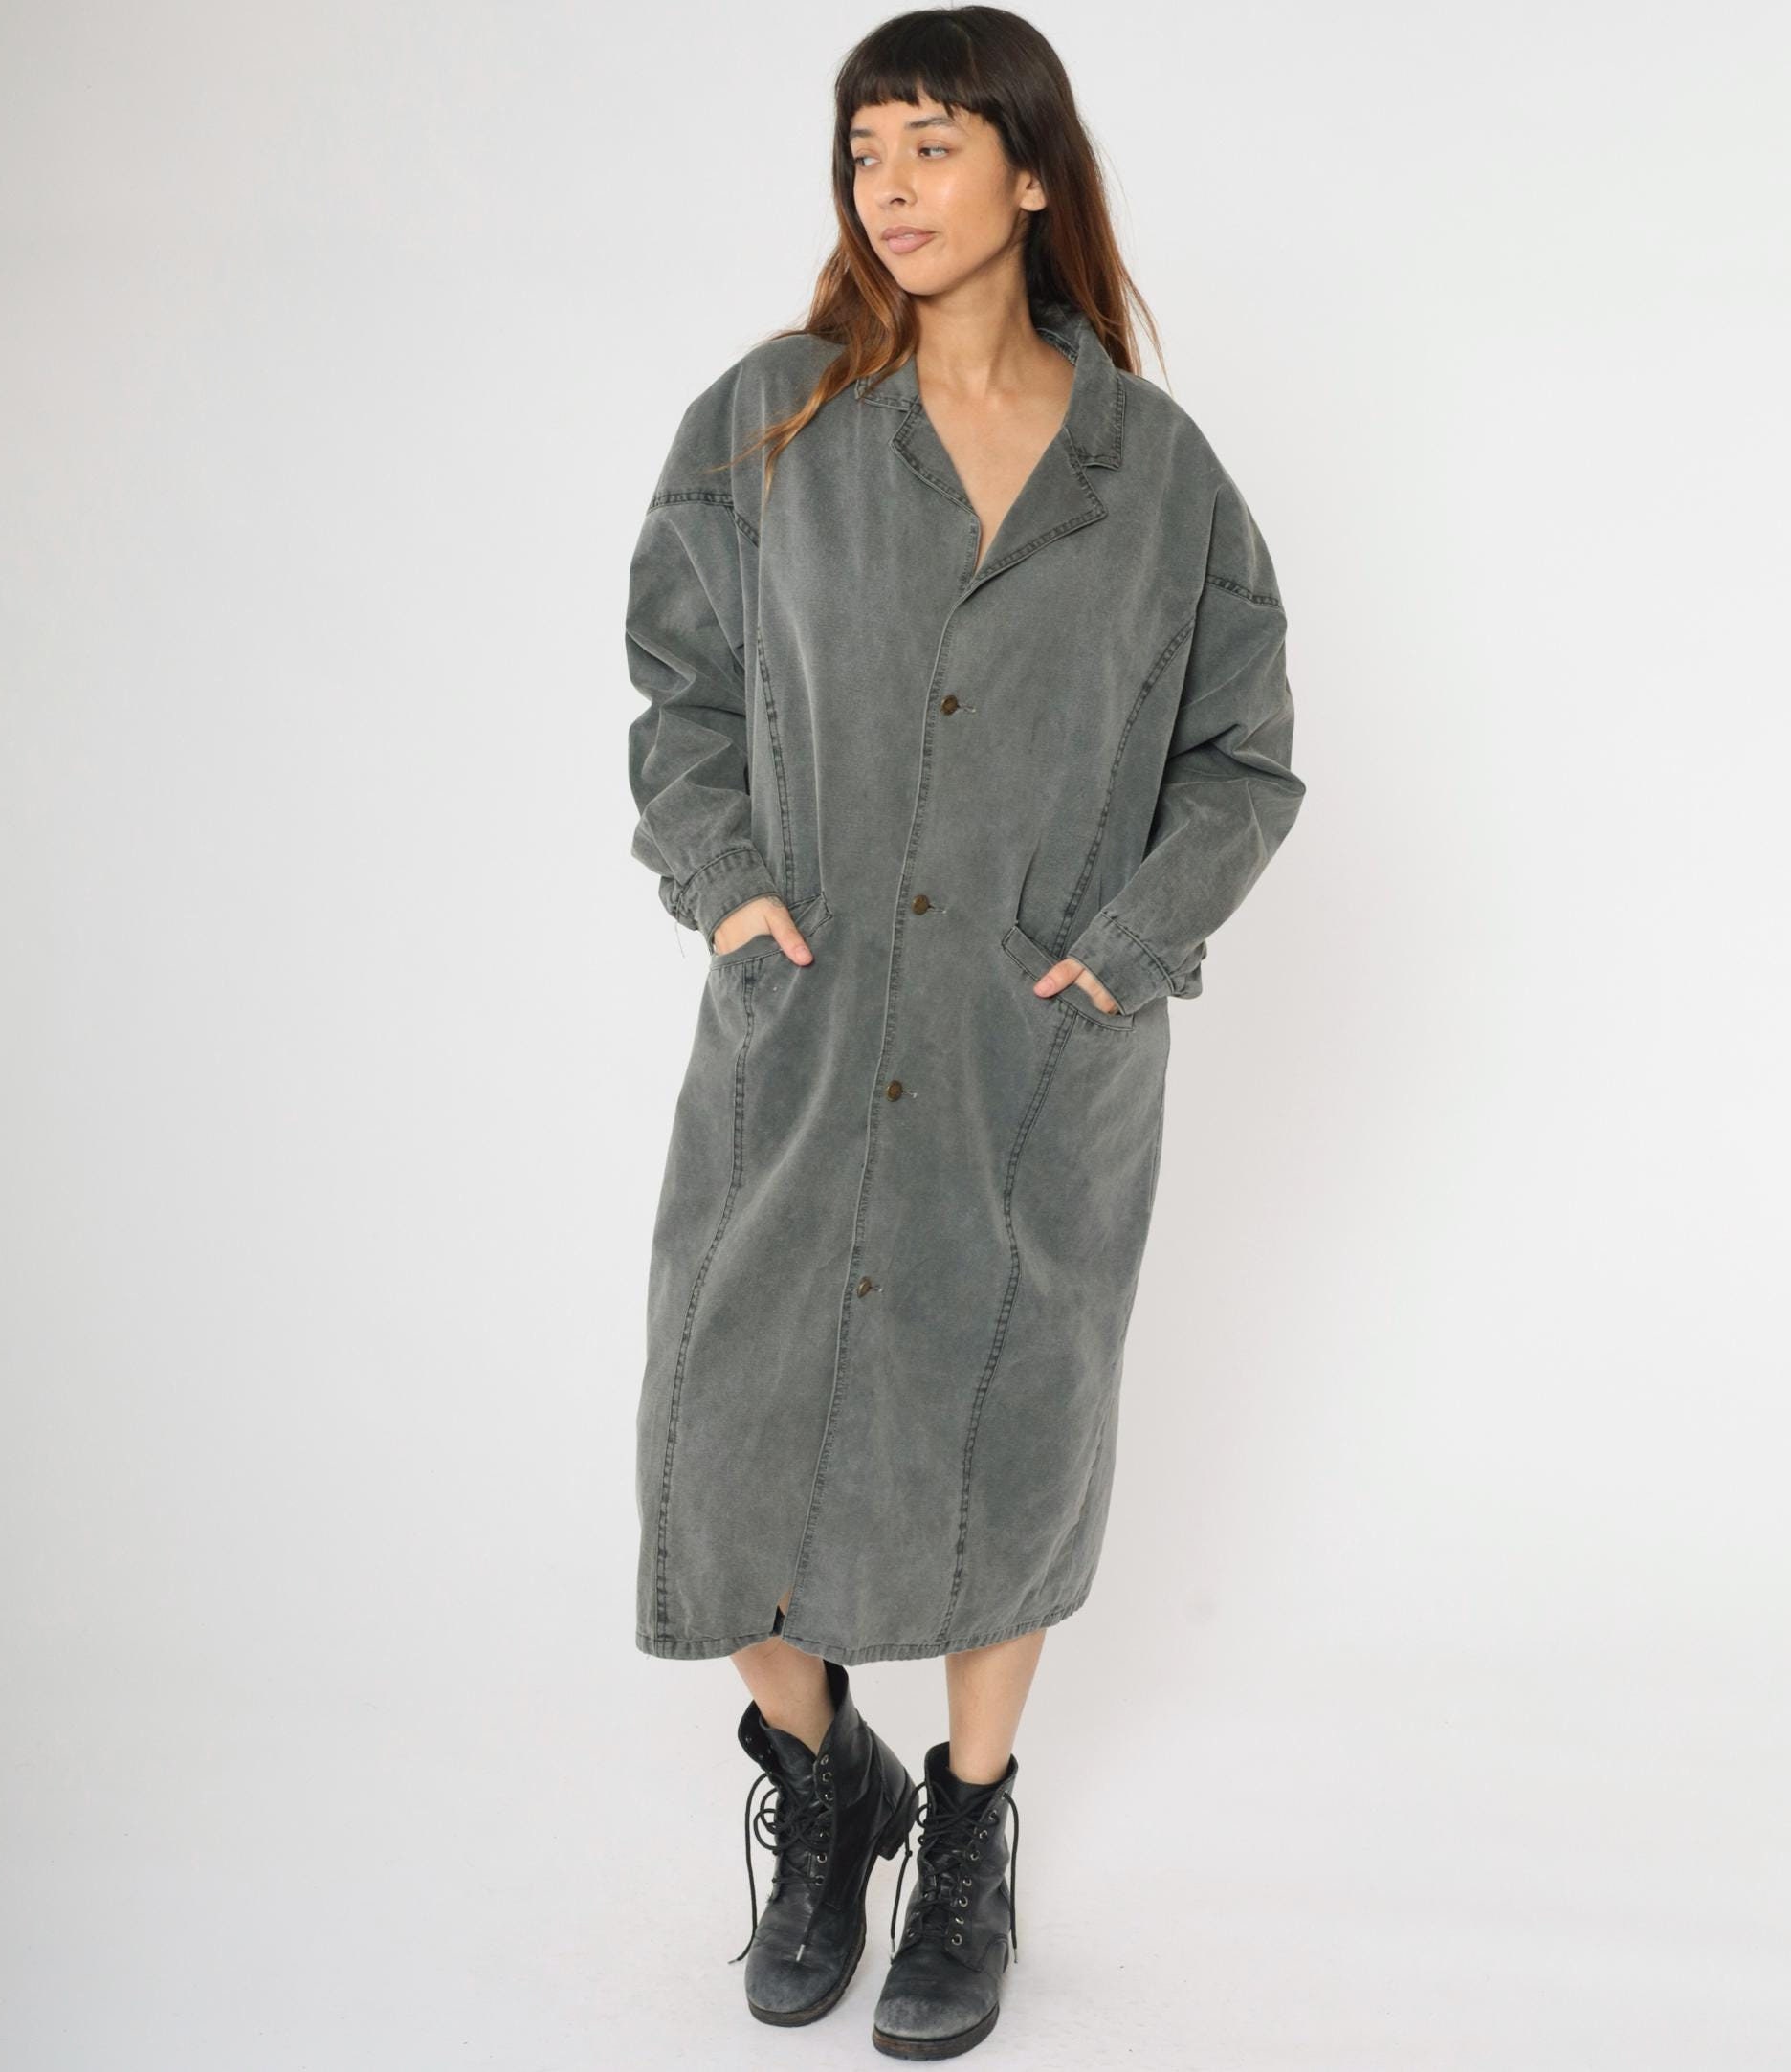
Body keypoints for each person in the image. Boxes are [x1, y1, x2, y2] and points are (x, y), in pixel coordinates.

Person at [621, 7, 1307, 2056]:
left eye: (931, 143)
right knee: (723, 1430)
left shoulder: (1153, 475)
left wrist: (1126, 946)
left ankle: (969, 1834)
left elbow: (1242, 759)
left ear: (1027, 170)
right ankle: (824, 1780)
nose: (892, 188)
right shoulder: (773, 421)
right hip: (806, 1032)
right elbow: (680, 689)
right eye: (864, 151)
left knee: (1007, 1432)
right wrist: (728, 884)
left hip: (1036, 1061)